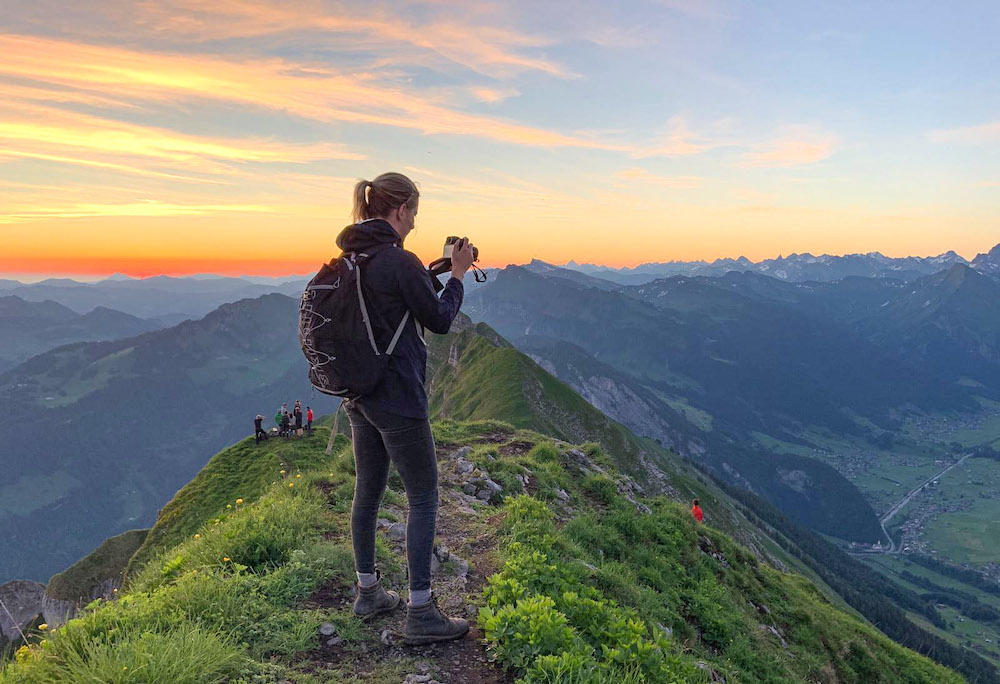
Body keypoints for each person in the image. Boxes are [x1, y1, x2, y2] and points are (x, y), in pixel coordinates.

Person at [340, 172, 474, 645]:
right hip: (397, 397)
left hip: (359, 395)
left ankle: (369, 592)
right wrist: (457, 275)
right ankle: (421, 612)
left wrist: (430, 274)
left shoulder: (353, 256)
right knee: (422, 495)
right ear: (400, 211)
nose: (416, 222)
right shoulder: (398, 260)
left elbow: (397, 299)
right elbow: (437, 319)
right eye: (414, 212)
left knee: (368, 490)